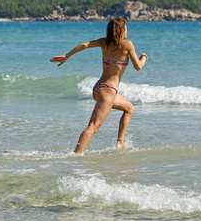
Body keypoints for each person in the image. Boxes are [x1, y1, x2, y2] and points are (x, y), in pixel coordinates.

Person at [50, 18, 148, 154]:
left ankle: (120, 142)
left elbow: (85, 45)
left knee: (129, 108)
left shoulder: (104, 42)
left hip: (99, 88)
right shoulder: (127, 45)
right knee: (93, 126)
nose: (127, 30)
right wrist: (144, 58)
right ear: (121, 30)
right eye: (125, 27)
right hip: (108, 91)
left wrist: (67, 56)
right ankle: (76, 155)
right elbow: (138, 67)